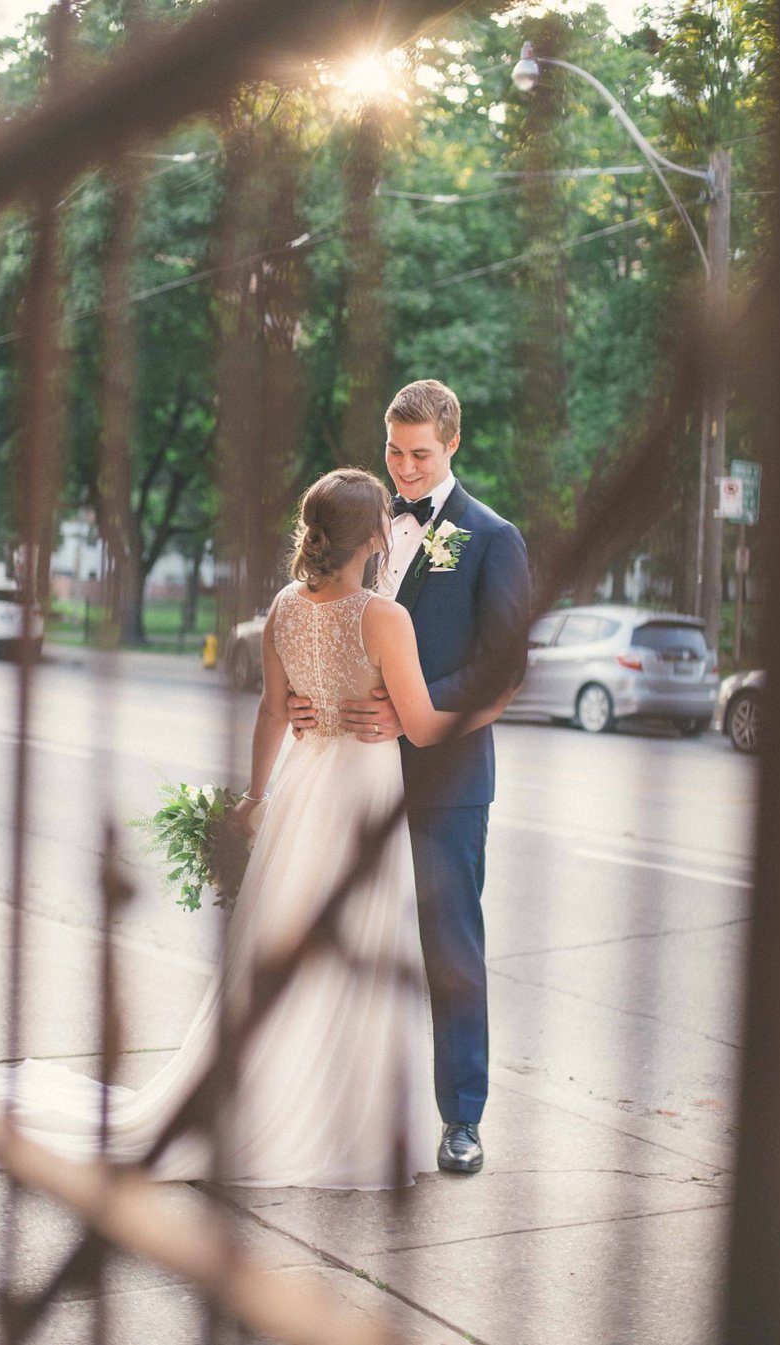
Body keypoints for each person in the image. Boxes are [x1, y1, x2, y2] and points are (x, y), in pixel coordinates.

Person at [0, 468, 515, 1188]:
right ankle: (338, 1120)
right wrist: (487, 707)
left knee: (282, 943)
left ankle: (274, 1092)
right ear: (372, 536)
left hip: (300, 791)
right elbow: (418, 723)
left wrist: (255, 797)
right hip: (360, 794)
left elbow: (272, 712)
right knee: (356, 947)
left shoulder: (284, 608)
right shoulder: (387, 618)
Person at [288, 380, 530, 1177]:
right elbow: (325, 620)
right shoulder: (367, 521)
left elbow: (504, 672)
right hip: (346, 776)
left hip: (442, 780)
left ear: (453, 443)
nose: (405, 467)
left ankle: (461, 1118)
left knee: (448, 950)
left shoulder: (491, 538)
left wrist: (408, 708)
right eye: (394, 450)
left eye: (420, 453)